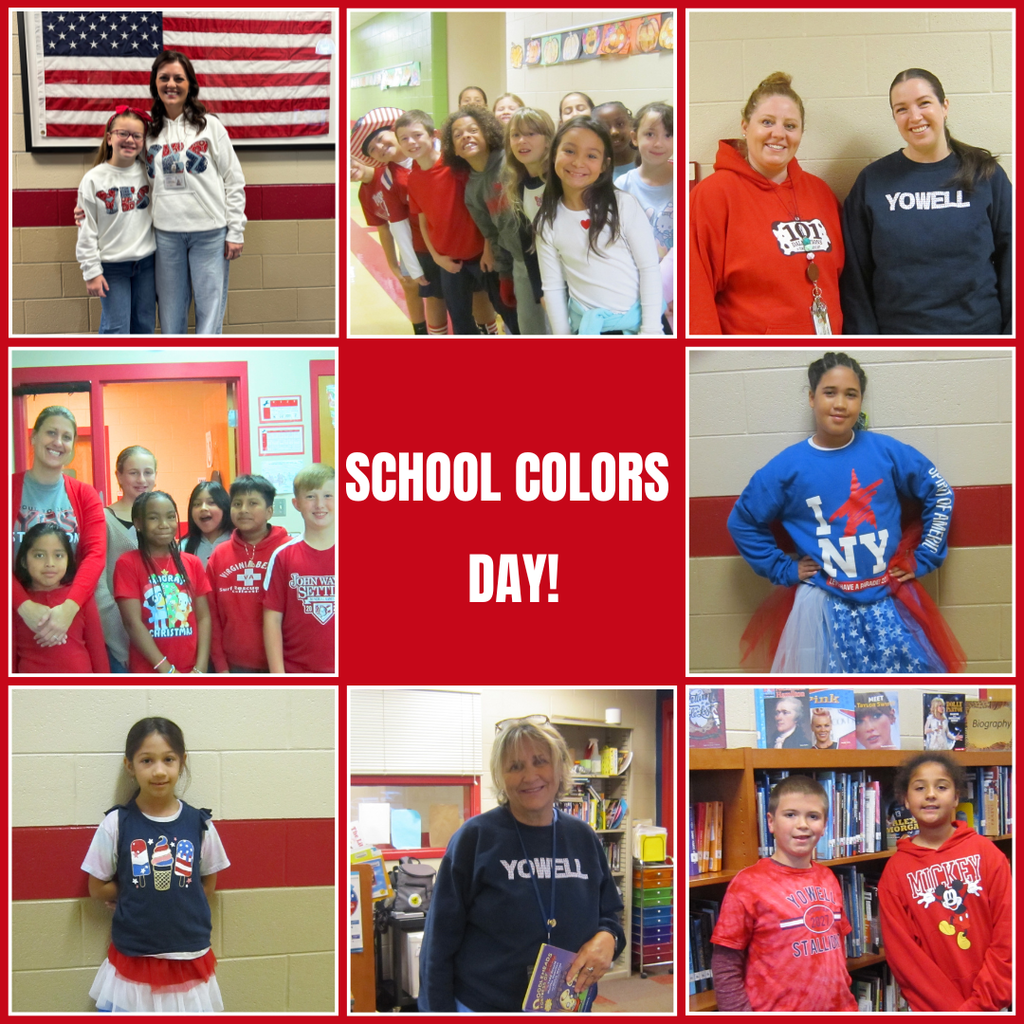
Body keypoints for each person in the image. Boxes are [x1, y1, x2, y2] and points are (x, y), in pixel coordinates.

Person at [727, 352, 965, 673]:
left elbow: (940, 492)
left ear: (861, 401)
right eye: (830, 392)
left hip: (890, 599)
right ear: (812, 398)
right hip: (823, 607)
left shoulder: (887, 452)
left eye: (851, 394)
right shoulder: (785, 468)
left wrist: (925, 557)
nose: (840, 403)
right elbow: (742, 521)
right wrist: (783, 568)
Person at [418, 716, 625, 1012]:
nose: (530, 776)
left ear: (559, 767)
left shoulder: (583, 838)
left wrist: (609, 938)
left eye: (540, 761)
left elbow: (609, 915)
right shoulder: (474, 839)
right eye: (515, 766)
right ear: (501, 777)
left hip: (566, 1005)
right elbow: (437, 944)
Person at [841, 68, 1012, 335]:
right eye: (901, 109)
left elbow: (1013, 259)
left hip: (978, 334)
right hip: (899, 337)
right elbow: (855, 278)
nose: (914, 117)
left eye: (924, 103)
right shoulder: (872, 181)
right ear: (894, 117)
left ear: (944, 106)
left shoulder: (986, 174)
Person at [81, 717, 230, 1012]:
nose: (159, 771)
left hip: (189, 955)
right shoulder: (116, 823)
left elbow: (207, 884)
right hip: (134, 956)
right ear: (130, 766)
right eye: (147, 760)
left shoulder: (200, 824)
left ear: (182, 762)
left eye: (168, 759)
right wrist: (133, 891)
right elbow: (97, 888)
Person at [689, 72, 845, 335]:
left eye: (790, 126)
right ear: (745, 126)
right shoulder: (713, 195)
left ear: (801, 133)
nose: (778, 134)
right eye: (767, 122)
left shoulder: (821, 193)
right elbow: (695, 293)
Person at [711, 776, 857, 1011]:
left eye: (813, 816)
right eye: (790, 815)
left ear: (824, 825)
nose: (802, 824)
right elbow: (725, 965)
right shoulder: (748, 884)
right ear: (770, 822)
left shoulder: (829, 878)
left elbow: (837, 949)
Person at [878, 752, 1011, 1010]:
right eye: (920, 788)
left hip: (992, 1003)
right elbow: (904, 958)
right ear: (906, 800)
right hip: (937, 1009)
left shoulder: (986, 853)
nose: (930, 794)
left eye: (941, 787)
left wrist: (981, 1004)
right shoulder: (895, 874)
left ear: (956, 797)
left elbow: (1009, 930)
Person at [146, 50, 246, 334]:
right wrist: (90, 207)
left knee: (210, 313)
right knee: (170, 314)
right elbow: (132, 176)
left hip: (210, 234)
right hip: (166, 235)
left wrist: (235, 230)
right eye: (164, 78)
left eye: (179, 78)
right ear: (155, 84)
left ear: (190, 84)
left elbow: (234, 179)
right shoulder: (149, 131)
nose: (171, 84)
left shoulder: (210, 126)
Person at [534, 116, 662, 335]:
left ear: (604, 165)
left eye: (591, 155)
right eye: (569, 151)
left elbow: (649, 269)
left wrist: (650, 332)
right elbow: (553, 287)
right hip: (589, 330)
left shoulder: (623, 205)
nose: (578, 162)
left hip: (638, 327)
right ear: (554, 154)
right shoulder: (548, 221)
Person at [12, 406, 107, 653]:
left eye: (66, 437)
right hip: (12, 610)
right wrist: (23, 605)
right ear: (34, 437)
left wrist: (69, 608)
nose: (58, 442)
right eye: (51, 433)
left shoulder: (85, 495)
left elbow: (95, 555)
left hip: (69, 615)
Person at [352, 106, 448, 336]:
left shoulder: (438, 153)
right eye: (372, 149)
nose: (379, 147)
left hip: (457, 237)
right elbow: (392, 226)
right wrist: (402, 266)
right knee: (430, 292)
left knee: (470, 294)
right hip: (422, 244)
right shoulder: (388, 179)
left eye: (380, 139)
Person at [76, 107, 157, 334]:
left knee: (144, 325)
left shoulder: (150, 173)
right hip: (112, 267)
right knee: (117, 328)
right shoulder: (93, 179)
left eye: (137, 136)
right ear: (109, 138)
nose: (130, 140)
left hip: (147, 264)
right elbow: (86, 230)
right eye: (123, 133)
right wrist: (91, 271)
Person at [114, 491, 211, 673]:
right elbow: (132, 623)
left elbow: (203, 617)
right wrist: (167, 671)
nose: (164, 524)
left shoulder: (192, 562)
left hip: (192, 671)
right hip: (150, 672)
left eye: (170, 517)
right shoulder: (127, 563)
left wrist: (201, 667)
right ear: (138, 523)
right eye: (153, 518)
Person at [206, 474, 290, 673]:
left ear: (269, 511)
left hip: (285, 664)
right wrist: (221, 666)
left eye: (253, 503)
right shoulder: (219, 554)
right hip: (234, 666)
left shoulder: (287, 550)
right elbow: (212, 616)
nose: (243, 509)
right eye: (237, 504)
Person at [454, 104, 521, 334]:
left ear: (488, 134)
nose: (466, 136)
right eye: (458, 135)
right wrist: (505, 276)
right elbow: (492, 235)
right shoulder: (471, 190)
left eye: (473, 130)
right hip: (514, 266)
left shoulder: (511, 162)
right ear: (454, 149)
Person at [263, 464, 335, 674]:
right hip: (297, 674)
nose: (320, 504)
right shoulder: (283, 556)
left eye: (328, 495)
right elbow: (272, 619)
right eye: (310, 496)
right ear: (297, 504)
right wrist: (279, 678)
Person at [93, 445, 158, 673]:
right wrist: (122, 645)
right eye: (133, 473)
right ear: (119, 476)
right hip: (122, 644)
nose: (142, 479)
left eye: (148, 472)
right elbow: (99, 589)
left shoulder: (161, 520)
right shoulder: (104, 520)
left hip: (160, 643)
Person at [13, 523, 109, 673]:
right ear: (24, 561)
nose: (49, 564)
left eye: (58, 555)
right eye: (39, 555)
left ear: (68, 559)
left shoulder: (82, 598)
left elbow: (97, 651)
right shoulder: (15, 603)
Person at [501, 106, 556, 334]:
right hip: (542, 273)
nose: (522, 141)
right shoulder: (519, 184)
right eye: (515, 135)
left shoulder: (560, 179)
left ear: (548, 140)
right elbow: (528, 244)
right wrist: (539, 291)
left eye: (531, 134)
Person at [182, 481, 232, 567]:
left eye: (211, 502)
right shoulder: (183, 547)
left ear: (224, 507)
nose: (203, 508)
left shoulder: (238, 542)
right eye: (197, 504)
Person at [592, 102, 636, 180]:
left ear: (631, 123)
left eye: (620, 124)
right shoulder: (595, 172)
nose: (614, 132)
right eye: (604, 127)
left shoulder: (650, 160)